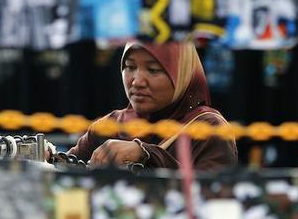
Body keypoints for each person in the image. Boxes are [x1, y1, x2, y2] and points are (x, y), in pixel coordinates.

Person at [68, 41, 238, 170]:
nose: (137, 81)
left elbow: (213, 196)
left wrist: (146, 155)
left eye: (153, 70)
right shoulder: (112, 125)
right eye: (130, 67)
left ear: (182, 75)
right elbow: (67, 170)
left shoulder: (208, 129)